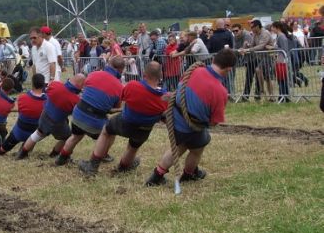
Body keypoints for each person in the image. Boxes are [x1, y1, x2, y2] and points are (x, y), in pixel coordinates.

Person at [145, 49, 236, 187]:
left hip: (175, 118)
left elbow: (180, 89)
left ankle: (156, 176)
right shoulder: (220, 91)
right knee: (197, 147)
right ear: (229, 69)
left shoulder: (195, 70)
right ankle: (189, 174)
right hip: (191, 127)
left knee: (178, 147)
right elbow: (213, 122)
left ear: (213, 60)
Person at [78, 61, 168, 175]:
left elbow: (122, 97)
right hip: (144, 129)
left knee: (106, 131)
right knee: (133, 147)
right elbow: (164, 114)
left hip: (126, 123)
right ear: (160, 76)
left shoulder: (133, 85)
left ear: (144, 74)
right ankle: (123, 168)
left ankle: (92, 165)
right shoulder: (165, 97)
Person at [54, 56, 125, 166]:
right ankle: (103, 154)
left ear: (109, 64)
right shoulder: (120, 87)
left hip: (78, 114)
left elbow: (85, 89)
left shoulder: (93, 74)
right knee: (110, 133)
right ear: (121, 69)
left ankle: (62, 158)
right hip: (95, 121)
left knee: (75, 136)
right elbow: (113, 108)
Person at [15, 74, 86, 160]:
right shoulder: (76, 100)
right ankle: (54, 154)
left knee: (37, 134)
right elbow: (75, 113)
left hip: (45, 115)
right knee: (67, 138)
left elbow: (45, 91)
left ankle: (22, 154)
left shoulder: (56, 84)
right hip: (57, 123)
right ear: (80, 86)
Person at [0, 73, 46, 155]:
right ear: (43, 85)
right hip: (34, 135)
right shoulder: (47, 102)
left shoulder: (23, 98)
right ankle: (25, 149)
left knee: (1, 151)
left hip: (19, 132)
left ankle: (0, 149)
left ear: (32, 84)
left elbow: (16, 108)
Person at [238, 20, 272, 101]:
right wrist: (247, 46)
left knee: (264, 75)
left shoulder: (265, 33)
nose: (251, 28)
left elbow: (261, 46)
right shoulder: (255, 34)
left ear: (257, 26)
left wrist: (248, 49)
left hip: (268, 56)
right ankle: (250, 94)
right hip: (259, 57)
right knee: (255, 74)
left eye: (252, 27)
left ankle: (264, 93)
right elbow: (253, 44)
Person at [271, 21, 291, 101]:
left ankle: (284, 95)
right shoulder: (279, 36)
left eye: (273, 27)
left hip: (282, 61)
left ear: (277, 28)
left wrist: (273, 48)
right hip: (280, 60)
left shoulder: (281, 36)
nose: (272, 29)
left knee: (282, 79)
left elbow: (284, 49)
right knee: (281, 79)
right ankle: (282, 95)